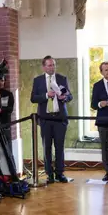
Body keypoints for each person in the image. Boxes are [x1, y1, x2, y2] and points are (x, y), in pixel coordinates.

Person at [30, 56, 73, 184]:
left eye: (53, 65)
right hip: (45, 119)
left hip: (60, 118)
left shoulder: (62, 78)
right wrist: (46, 95)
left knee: (59, 147)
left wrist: (64, 97)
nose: (52, 67)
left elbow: (70, 96)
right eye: (49, 65)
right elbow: (33, 98)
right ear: (43, 67)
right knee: (46, 147)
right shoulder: (38, 80)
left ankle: (60, 173)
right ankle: (50, 175)